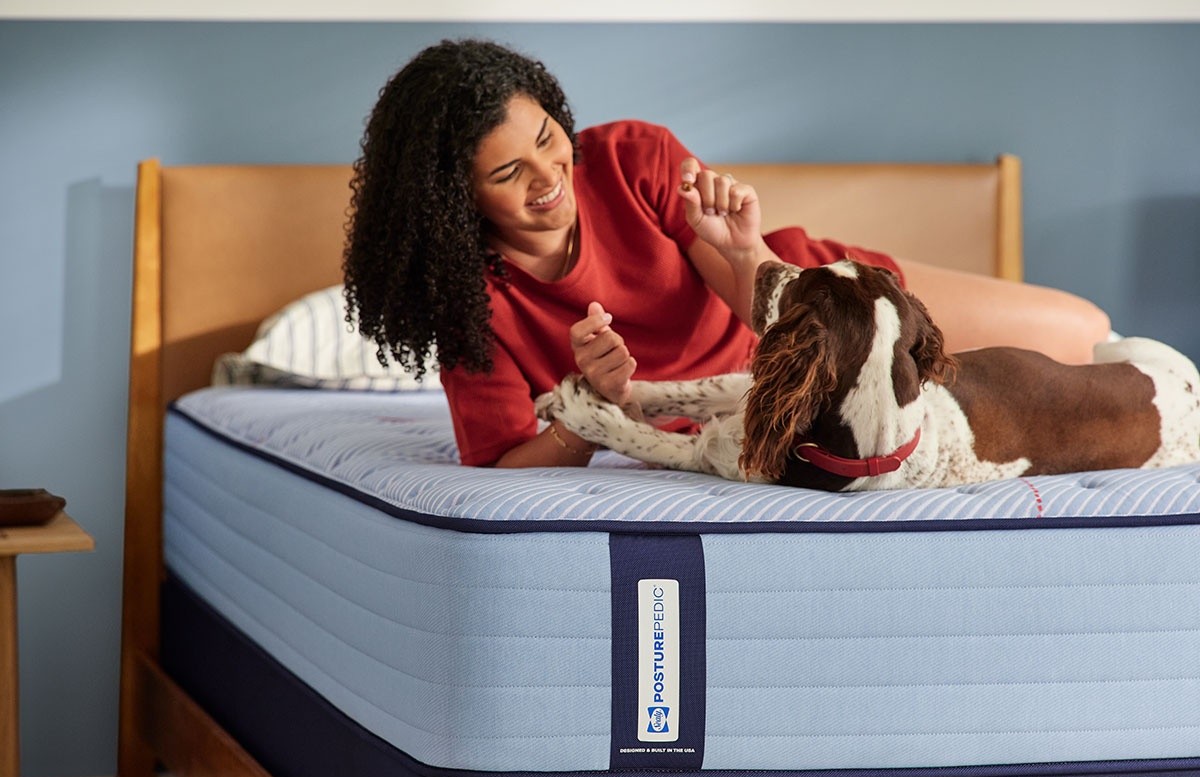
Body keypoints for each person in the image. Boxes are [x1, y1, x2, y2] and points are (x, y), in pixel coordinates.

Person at [343, 38, 1110, 469]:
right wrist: (588, 406)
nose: (550, 178)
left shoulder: (629, 157)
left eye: (549, 140)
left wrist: (745, 254)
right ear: (455, 200)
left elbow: (762, 312)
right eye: (509, 173)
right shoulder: (468, 310)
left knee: (1088, 334)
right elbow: (507, 468)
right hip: (758, 401)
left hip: (822, 306)